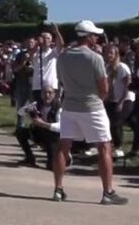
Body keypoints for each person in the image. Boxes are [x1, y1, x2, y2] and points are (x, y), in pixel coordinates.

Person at [51, 20, 130, 205]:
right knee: (104, 146)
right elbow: (103, 87)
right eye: (94, 35)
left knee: (63, 146)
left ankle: (58, 189)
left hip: (69, 105)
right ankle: (107, 192)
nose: (97, 38)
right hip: (92, 106)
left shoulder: (63, 56)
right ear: (88, 37)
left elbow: (61, 80)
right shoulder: (95, 57)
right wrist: (98, 98)